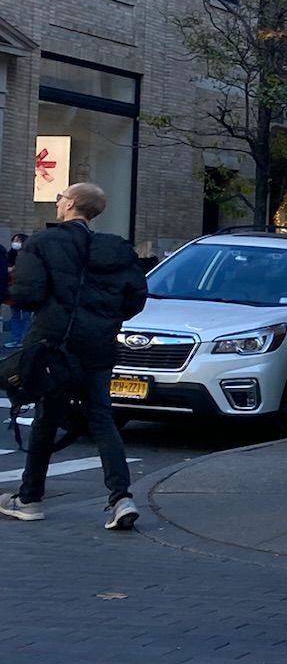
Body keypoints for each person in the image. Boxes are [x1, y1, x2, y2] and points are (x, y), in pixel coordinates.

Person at [0, 184, 150, 530]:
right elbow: (135, 298)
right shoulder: (116, 249)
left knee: (47, 419)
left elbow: (28, 295)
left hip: (54, 345)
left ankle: (30, 497)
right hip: (97, 346)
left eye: (60, 197)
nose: (57, 201)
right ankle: (121, 497)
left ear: (69, 204)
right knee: (102, 419)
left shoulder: (43, 242)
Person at [2, 234, 26, 347]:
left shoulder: (28, 255)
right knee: (15, 316)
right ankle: (17, 339)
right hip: (13, 291)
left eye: (18, 240)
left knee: (26, 316)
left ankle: (25, 340)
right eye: (14, 240)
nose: (15, 242)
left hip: (26, 290)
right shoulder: (10, 255)